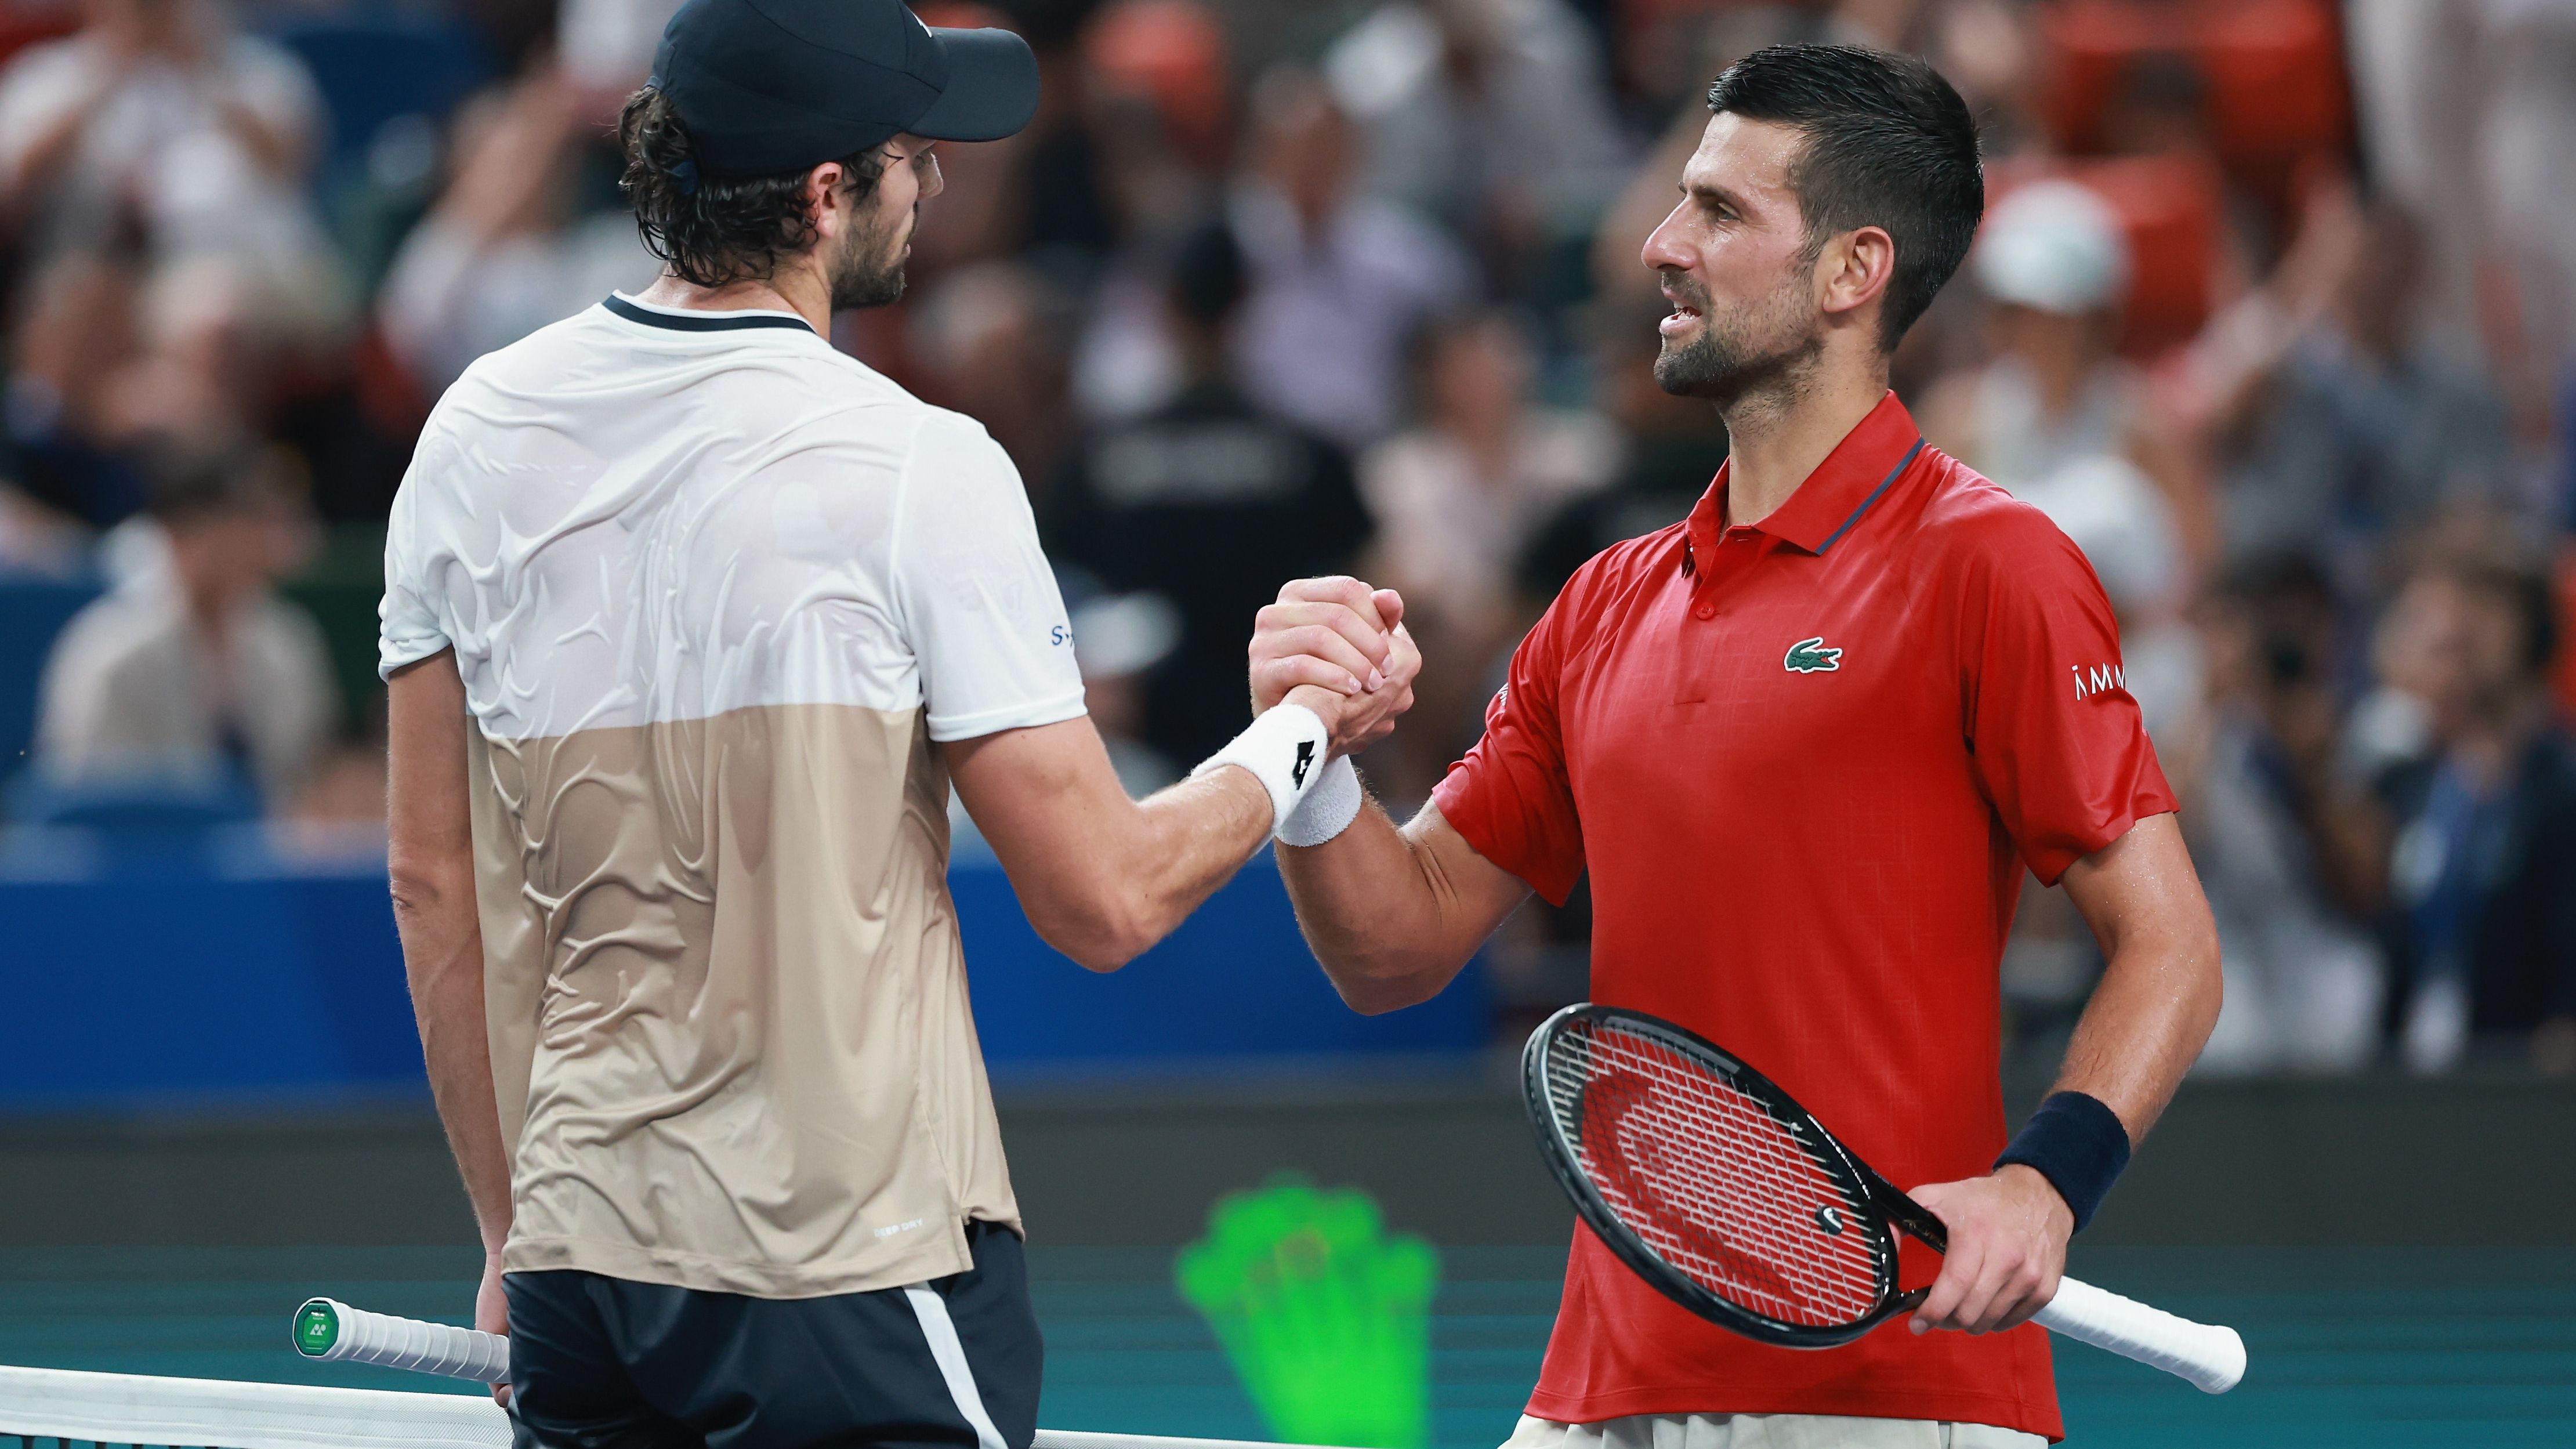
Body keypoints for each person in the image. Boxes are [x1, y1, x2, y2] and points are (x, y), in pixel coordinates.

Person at [375, 2, 1412, 1443]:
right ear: (824, 195)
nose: (933, 180)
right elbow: (1106, 897)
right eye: (911, 155)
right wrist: (1302, 730)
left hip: (580, 1267)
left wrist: (512, 1230)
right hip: (845, 1266)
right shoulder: (921, 463)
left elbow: (432, 879)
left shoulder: (471, 431)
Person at [1244, 45, 2223, 1446]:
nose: (1660, 243)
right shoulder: (1601, 600)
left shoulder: (1992, 563)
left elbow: (2171, 942)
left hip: (1892, 1397)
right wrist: (1309, 752)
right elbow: (1393, 946)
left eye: (1717, 210)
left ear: (1851, 271)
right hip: (1599, 1392)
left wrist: (2043, 1183)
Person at [1046, 218, 1375, 767]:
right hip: (1284, 738)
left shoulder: (1098, 459)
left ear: (1163, 305)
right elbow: (1362, 595)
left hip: (1134, 750)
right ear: (1247, 301)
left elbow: (1056, 595)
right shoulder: (1310, 456)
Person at [35, 440, 334, 804]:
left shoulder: (288, 642)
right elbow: (90, 805)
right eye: (234, 527)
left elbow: (311, 786)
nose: (250, 545)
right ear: (176, 534)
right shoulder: (111, 655)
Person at [2372, 554, 2576, 1077]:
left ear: (2530, 630)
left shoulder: (2558, 783)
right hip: (2413, 1072)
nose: (2462, 634)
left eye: (2486, 612)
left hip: (2521, 1076)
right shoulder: (2415, 782)